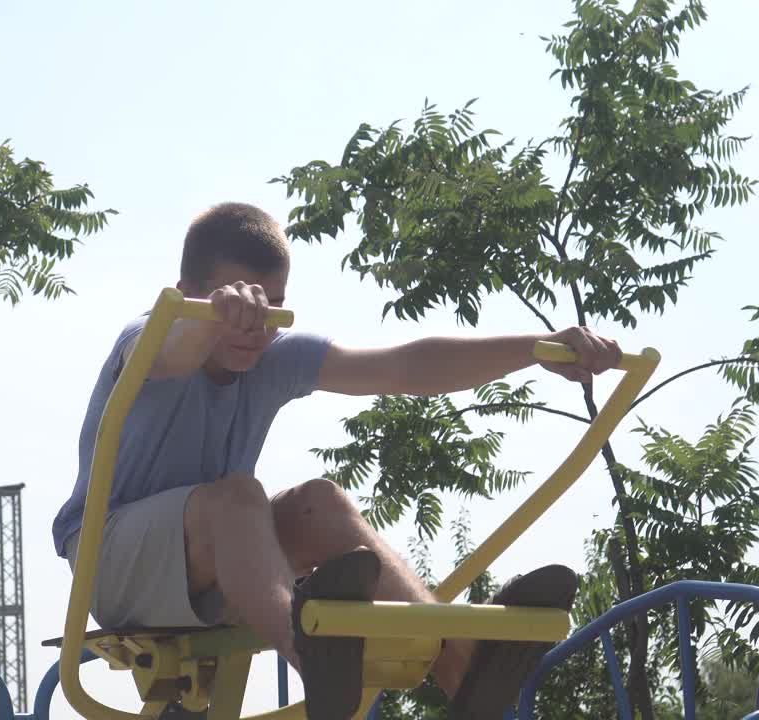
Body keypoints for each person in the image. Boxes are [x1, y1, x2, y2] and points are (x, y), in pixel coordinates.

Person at [51, 202, 622, 720]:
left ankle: (462, 667)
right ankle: (312, 654)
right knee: (239, 494)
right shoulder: (151, 337)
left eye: (271, 305)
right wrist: (208, 320)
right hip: (109, 562)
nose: (255, 326)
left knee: (319, 504)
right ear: (188, 292)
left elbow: (404, 368)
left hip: (211, 563)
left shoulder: (270, 355)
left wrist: (535, 348)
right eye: (237, 302)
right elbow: (170, 348)